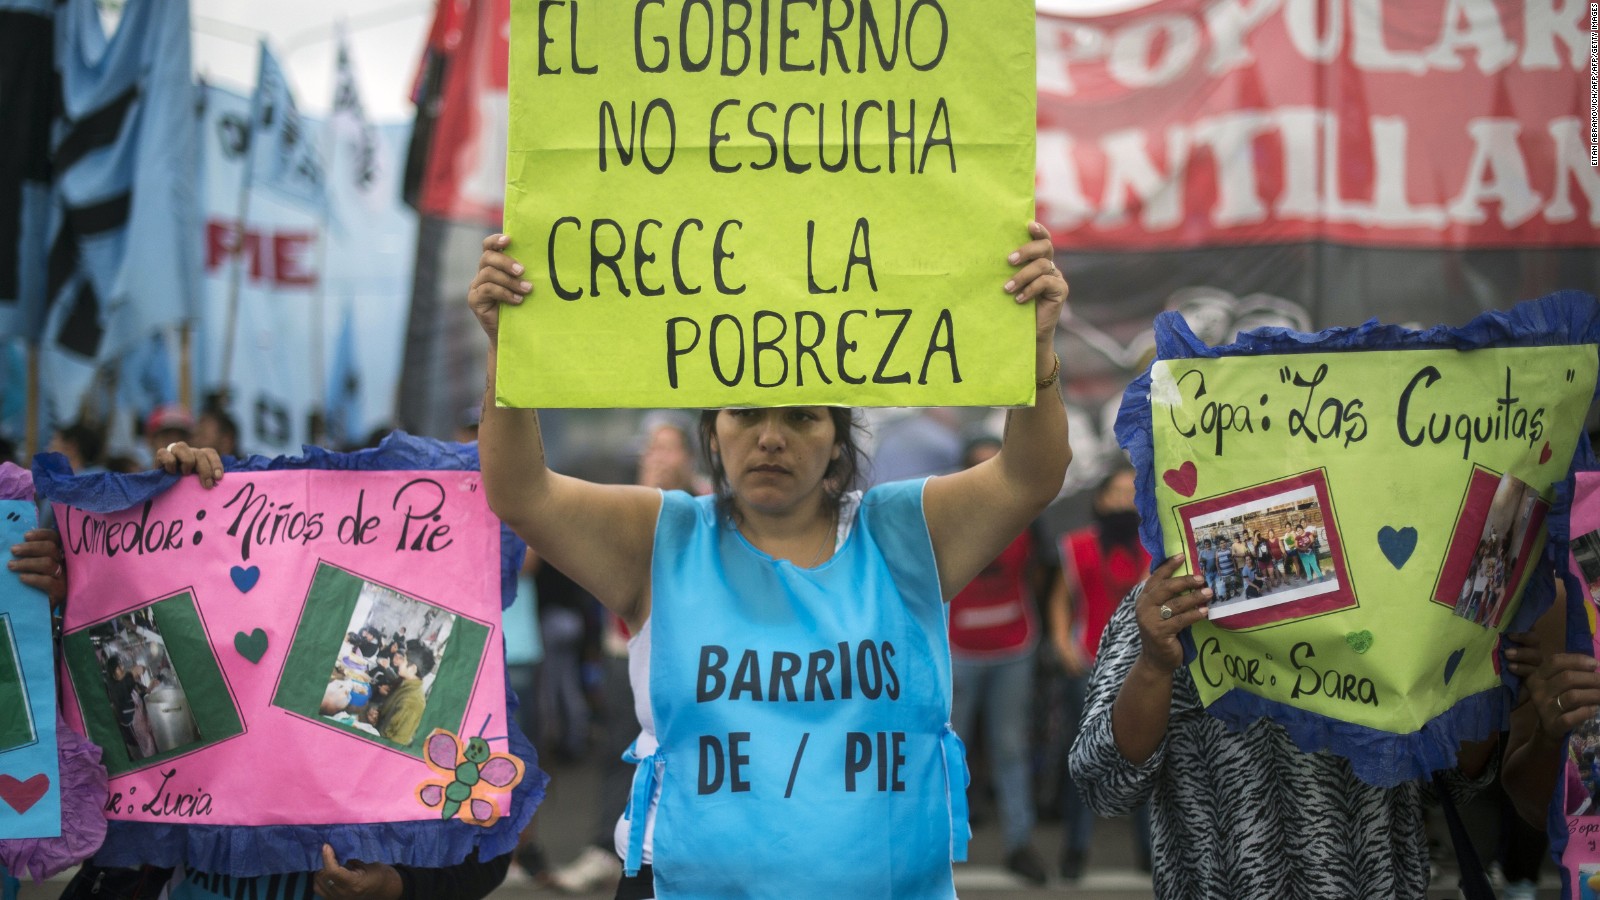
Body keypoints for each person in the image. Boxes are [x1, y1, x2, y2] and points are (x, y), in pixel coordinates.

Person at [469, 222, 1070, 898]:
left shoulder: (904, 532)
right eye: (745, 413)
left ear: (839, 443)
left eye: (803, 417)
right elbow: (519, 492)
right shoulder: (660, 536)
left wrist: (1038, 346)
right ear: (712, 433)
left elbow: (1031, 475)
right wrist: (504, 348)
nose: (771, 438)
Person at [1068, 557, 1497, 898]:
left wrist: (1484, 664)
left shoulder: (1393, 585)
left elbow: (1452, 779)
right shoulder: (1166, 607)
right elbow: (1104, 782)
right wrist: (1153, 666)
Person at [549, 413, 703, 894]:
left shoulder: (711, 506)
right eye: (650, 449)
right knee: (623, 750)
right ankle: (608, 847)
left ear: (691, 455)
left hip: (691, 653)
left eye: (667, 448)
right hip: (627, 647)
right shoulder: (633, 501)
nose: (657, 457)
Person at [945, 433, 1055, 886]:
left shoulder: (1025, 517)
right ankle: (940, 848)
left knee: (1011, 748)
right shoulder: (945, 517)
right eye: (978, 465)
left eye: (996, 464)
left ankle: (1019, 843)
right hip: (959, 650)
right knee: (949, 749)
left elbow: (1043, 572)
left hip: (1014, 646)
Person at [1048, 462, 1151, 880]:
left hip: (1142, 669)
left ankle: (1150, 853)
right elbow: (1060, 598)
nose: (1124, 500)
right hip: (1087, 662)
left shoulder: (1155, 547)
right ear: (1100, 500)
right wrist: (1060, 642)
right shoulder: (1077, 545)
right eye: (1116, 492)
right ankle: (1075, 849)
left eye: (1132, 492)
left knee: (1145, 763)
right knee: (1085, 763)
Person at [376, 640, 434, 746]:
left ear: (412, 669)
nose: (399, 662)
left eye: (404, 660)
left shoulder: (412, 702)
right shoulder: (405, 683)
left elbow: (396, 743)